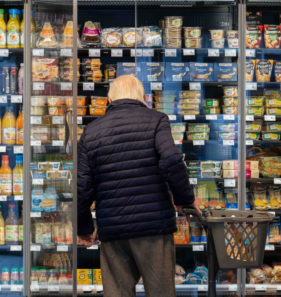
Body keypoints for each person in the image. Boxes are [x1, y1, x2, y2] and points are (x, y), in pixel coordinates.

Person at [77, 75, 201, 297]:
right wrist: (185, 199)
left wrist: (84, 229)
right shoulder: (156, 120)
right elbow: (172, 159)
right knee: (160, 291)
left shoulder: (91, 131)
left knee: (117, 293)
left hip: (112, 228)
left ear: (109, 99)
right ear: (144, 97)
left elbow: (82, 186)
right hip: (154, 226)